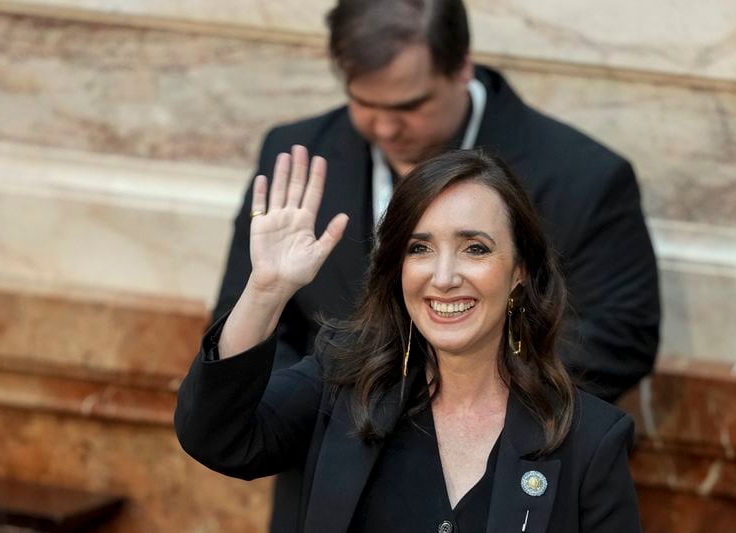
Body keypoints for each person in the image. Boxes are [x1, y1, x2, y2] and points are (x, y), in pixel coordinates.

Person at [213, 0, 660, 404]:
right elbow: (247, 318)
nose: (386, 128)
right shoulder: (296, 154)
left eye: (410, 106)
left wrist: (445, 400)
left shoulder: (584, 176)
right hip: (319, 464)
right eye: (363, 102)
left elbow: (619, 341)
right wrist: (318, 419)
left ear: (462, 67)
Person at [177, 147, 642, 532]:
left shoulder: (589, 439)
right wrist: (266, 291)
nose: (443, 277)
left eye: (475, 248)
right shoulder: (340, 382)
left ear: (519, 271)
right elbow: (219, 436)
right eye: (419, 248)